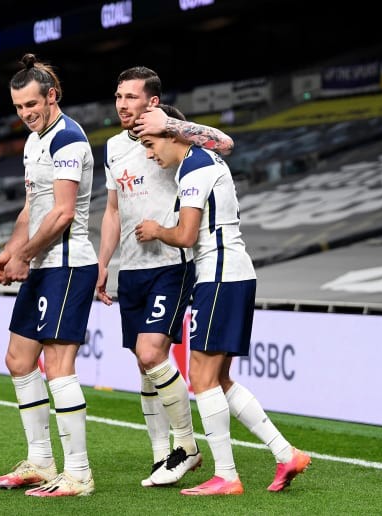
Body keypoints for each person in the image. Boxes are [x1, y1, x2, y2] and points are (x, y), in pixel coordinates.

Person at [133, 120, 312, 496]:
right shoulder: (206, 158)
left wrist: (155, 230)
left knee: (201, 379)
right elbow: (225, 142)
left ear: (172, 135)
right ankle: (286, 453)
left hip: (219, 275)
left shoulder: (194, 168)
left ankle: (227, 475)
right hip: (234, 274)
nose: (150, 154)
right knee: (220, 379)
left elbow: (184, 235)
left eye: (151, 144)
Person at [96, 66, 235, 488]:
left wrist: (174, 125)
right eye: (118, 96)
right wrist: (104, 264)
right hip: (132, 267)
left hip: (171, 264)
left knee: (151, 354)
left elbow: (225, 144)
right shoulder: (114, 148)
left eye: (131, 97)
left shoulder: (176, 134)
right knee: (144, 366)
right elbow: (113, 211)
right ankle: (162, 454)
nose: (122, 104)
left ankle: (186, 446)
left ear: (152, 102)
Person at [0, 54, 97, 497]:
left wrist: (25, 256)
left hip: (67, 264)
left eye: (32, 104)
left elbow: (63, 214)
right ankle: (40, 460)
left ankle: (79, 473)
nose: (26, 114)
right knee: (18, 358)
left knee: (58, 366)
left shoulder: (68, 139)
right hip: (43, 264)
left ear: (52, 96)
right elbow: (32, 209)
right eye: (18, 108)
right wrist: (10, 251)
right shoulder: (35, 141)